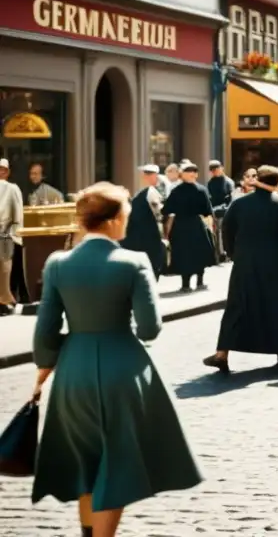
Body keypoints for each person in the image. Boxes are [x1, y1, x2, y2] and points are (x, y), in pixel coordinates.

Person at [31, 183, 201, 537]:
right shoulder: (133, 262)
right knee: (117, 463)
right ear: (111, 221)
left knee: (85, 461)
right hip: (122, 366)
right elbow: (150, 328)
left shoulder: (58, 263)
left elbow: (45, 330)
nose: (127, 221)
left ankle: (89, 533)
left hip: (74, 369)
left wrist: (45, 366)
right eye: (125, 215)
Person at [203, 166, 278, 372]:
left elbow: (227, 230)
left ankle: (222, 354)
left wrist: (234, 254)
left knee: (237, 306)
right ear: (276, 183)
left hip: (246, 262)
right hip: (277, 263)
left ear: (257, 180)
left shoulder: (240, 203)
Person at [162, 161, 216, 292]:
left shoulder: (200, 190)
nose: (192, 174)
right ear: (182, 174)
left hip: (191, 225)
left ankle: (198, 281)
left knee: (195, 253)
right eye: (189, 171)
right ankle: (186, 283)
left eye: (194, 171)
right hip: (186, 225)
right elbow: (167, 209)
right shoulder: (180, 190)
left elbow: (208, 211)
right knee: (187, 254)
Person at [120, 164, 165, 279]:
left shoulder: (149, 192)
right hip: (143, 235)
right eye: (154, 176)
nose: (157, 178)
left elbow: (159, 214)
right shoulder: (146, 192)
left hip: (145, 235)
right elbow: (159, 213)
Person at [0, 159, 25, 315]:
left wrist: (16, 233)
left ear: (8, 172)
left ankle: (6, 300)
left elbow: (18, 212)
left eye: (3, 169)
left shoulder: (12, 188)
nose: (1, 172)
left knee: (4, 268)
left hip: (5, 233)